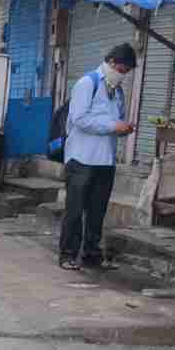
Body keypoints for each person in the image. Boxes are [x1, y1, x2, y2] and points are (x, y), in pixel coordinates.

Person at [59, 43, 137, 271]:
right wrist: (113, 125)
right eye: (122, 70)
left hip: (105, 161)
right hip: (81, 159)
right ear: (111, 63)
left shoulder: (117, 91)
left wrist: (123, 127)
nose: (123, 75)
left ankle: (92, 254)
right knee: (74, 210)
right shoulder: (88, 84)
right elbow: (79, 119)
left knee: (97, 211)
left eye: (126, 72)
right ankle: (68, 255)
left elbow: (115, 120)